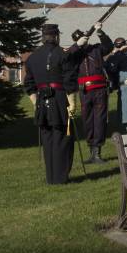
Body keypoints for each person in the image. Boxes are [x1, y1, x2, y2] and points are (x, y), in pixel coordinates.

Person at [24, 24, 88, 185]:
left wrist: (35, 103)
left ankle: (51, 177)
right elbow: (69, 80)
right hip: (60, 100)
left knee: (47, 139)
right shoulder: (62, 54)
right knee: (61, 137)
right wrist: (72, 104)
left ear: (43, 37)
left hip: (40, 101)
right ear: (57, 36)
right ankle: (59, 178)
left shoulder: (32, 57)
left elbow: (29, 84)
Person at [71, 22, 113, 163]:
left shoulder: (96, 49)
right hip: (84, 91)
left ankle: (97, 153)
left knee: (100, 120)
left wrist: (100, 32)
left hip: (100, 90)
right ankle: (91, 150)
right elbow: (67, 58)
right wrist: (77, 45)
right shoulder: (74, 53)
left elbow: (109, 46)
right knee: (87, 120)